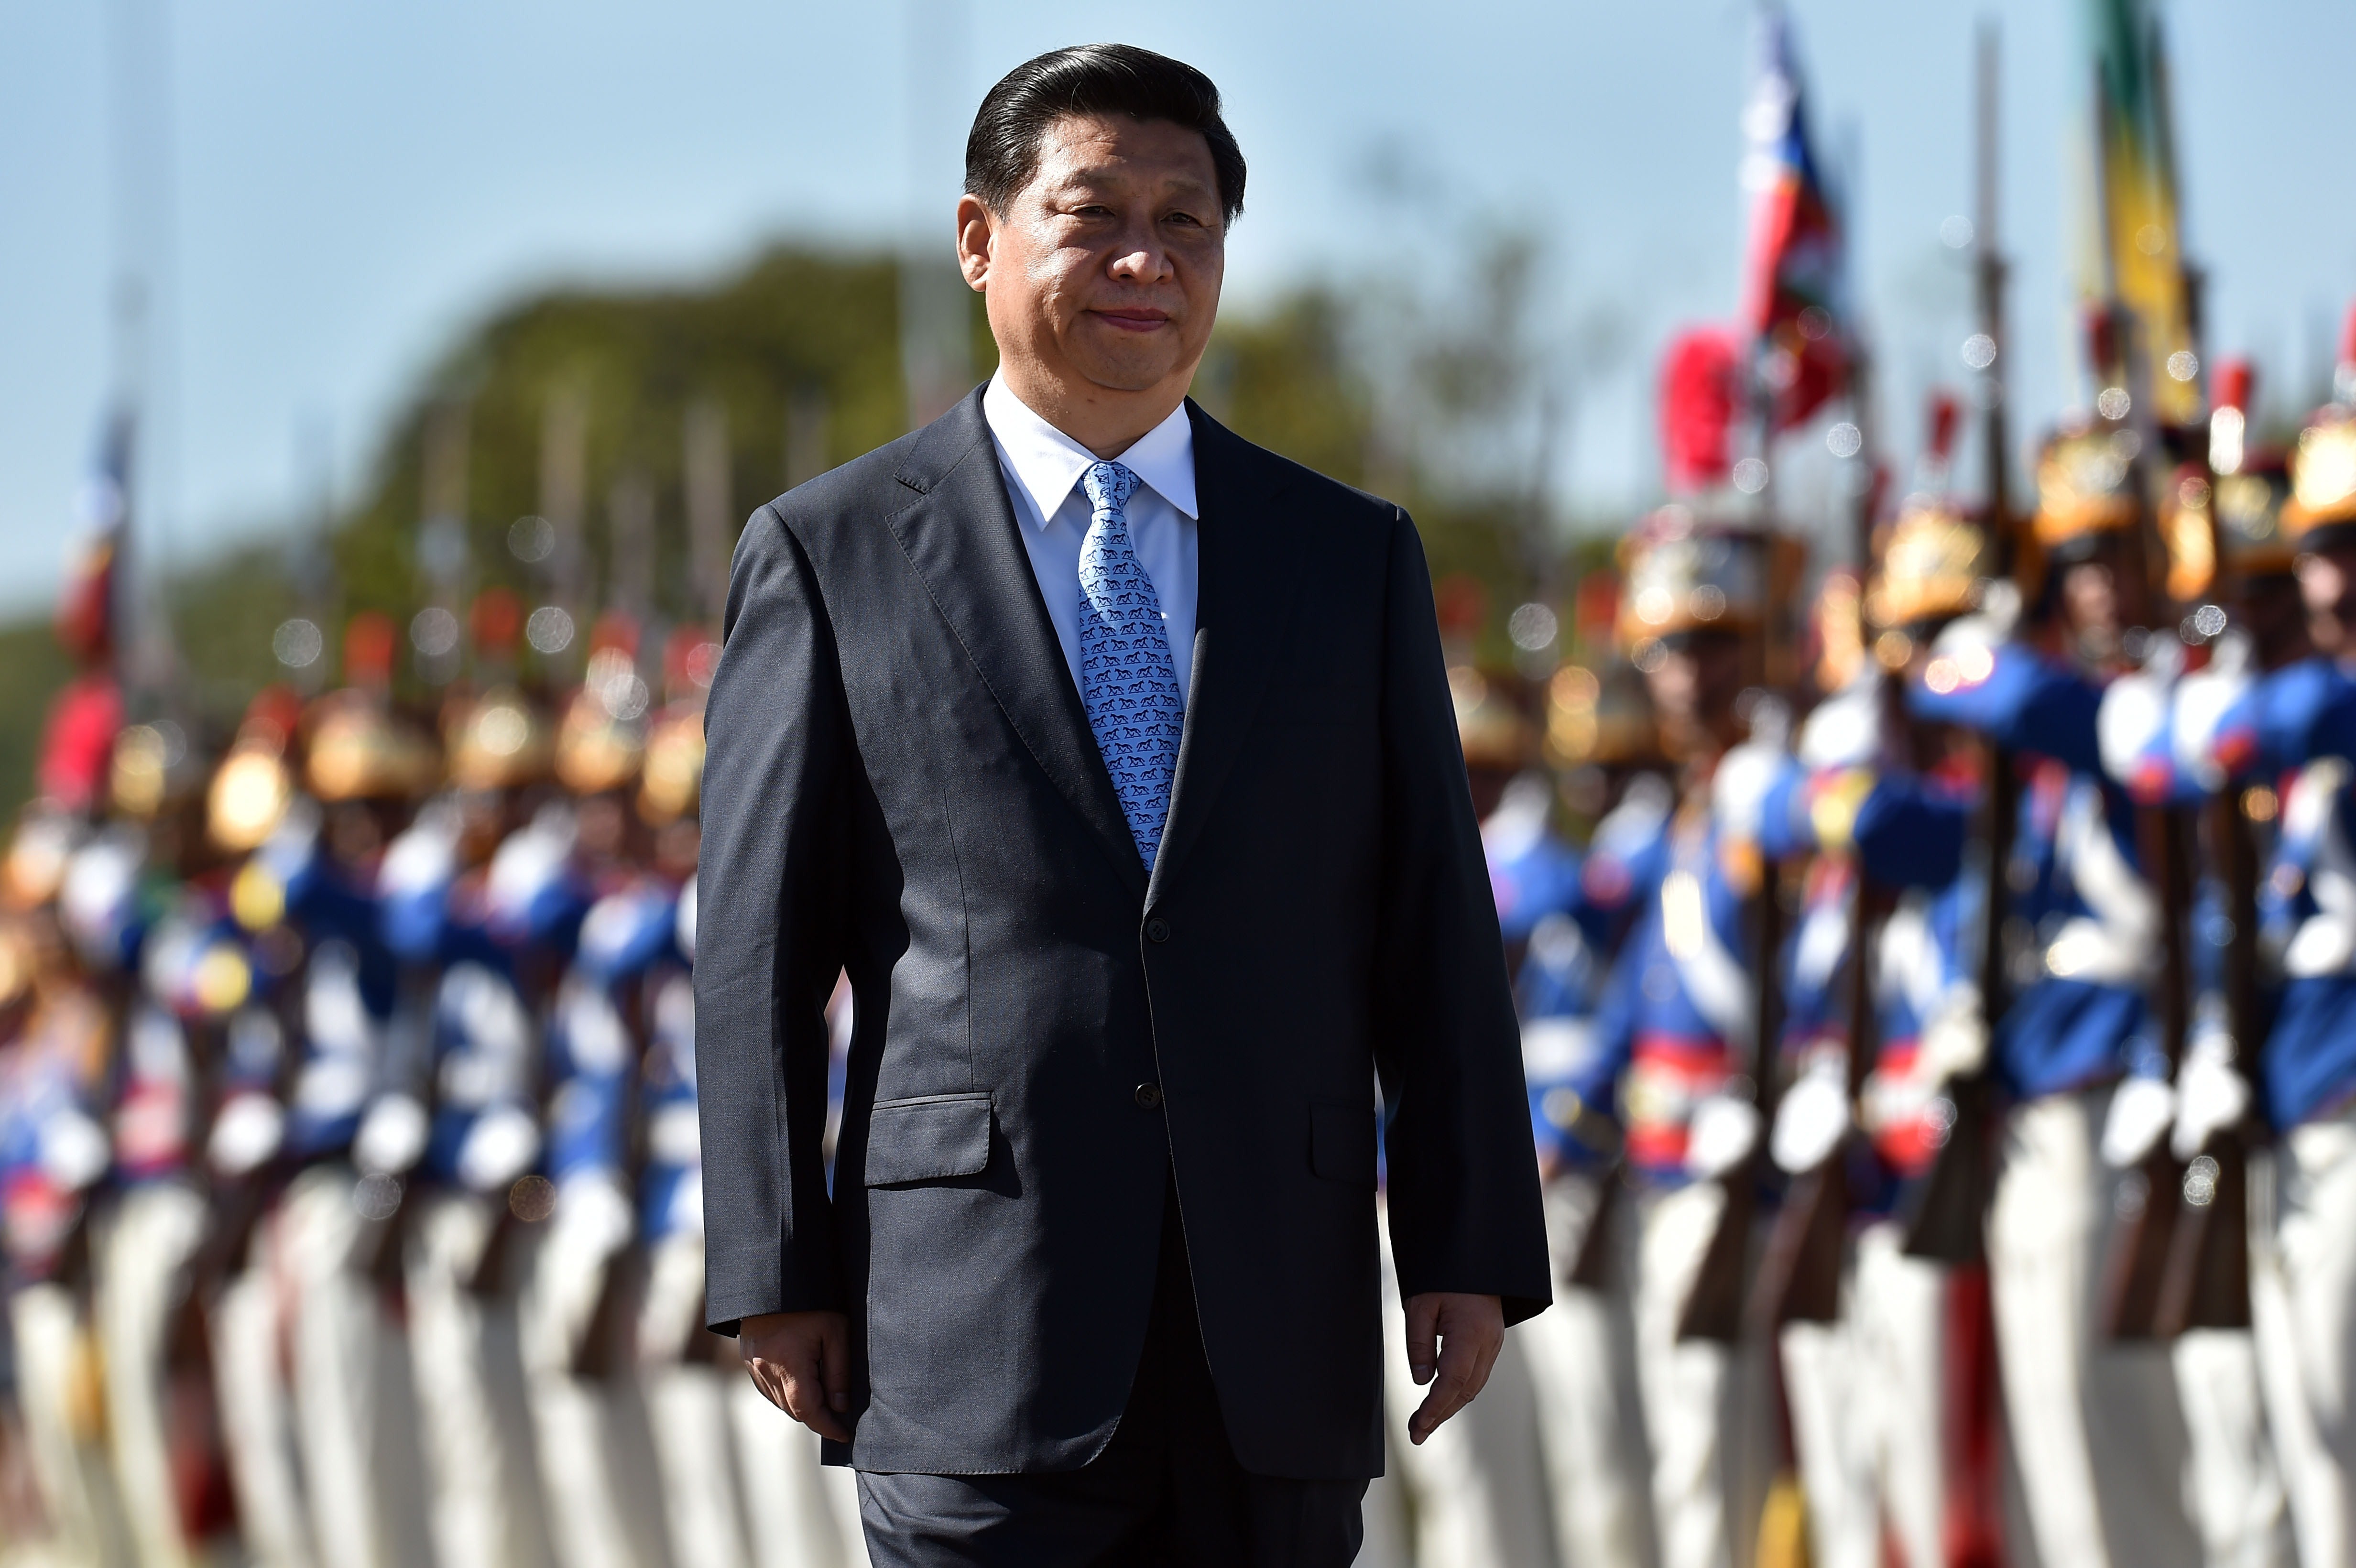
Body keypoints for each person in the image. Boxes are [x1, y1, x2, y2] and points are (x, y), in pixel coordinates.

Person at [698, 42, 1548, 1568]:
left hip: (1271, 1334)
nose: (1145, 259)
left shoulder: (1346, 559)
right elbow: (759, 953)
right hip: (972, 1329)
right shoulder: (832, 556)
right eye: (1094, 216)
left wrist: (1468, 1242)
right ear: (982, 241)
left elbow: (1431, 919)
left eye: (1190, 222)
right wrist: (776, 1264)